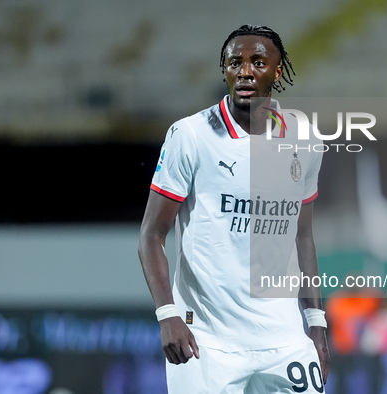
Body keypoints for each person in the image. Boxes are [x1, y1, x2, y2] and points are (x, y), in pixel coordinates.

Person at [138, 25, 330, 393]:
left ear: (277, 71)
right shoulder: (190, 135)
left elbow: (302, 236)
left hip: (285, 337)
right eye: (235, 62)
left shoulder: (304, 139)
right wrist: (168, 314)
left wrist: (316, 323)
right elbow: (151, 235)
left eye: (258, 62)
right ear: (224, 70)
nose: (245, 71)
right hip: (207, 341)